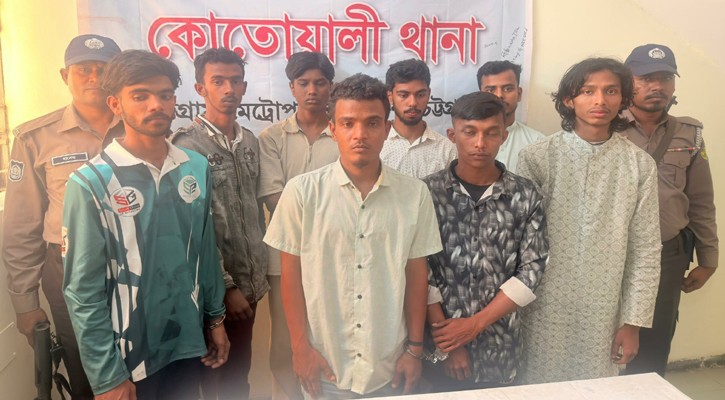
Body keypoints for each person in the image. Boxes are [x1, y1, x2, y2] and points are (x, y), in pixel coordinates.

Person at [62, 50, 229, 400]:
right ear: (116, 104)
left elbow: (205, 252)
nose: (156, 105)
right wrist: (106, 376)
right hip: (129, 356)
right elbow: (82, 290)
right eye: (140, 96)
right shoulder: (91, 182)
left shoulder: (195, 166)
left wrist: (215, 320)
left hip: (187, 342)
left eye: (165, 95)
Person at [263, 73, 442, 399]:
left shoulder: (415, 194)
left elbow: (417, 275)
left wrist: (415, 349)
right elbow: (291, 277)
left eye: (372, 123)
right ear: (333, 129)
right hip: (326, 364)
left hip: (389, 367)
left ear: (386, 129)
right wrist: (300, 348)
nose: (360, 134)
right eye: (348, 123)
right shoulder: (302, 193)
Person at [517, 58, 661, 383]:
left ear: (623, 99)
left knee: (595, 388)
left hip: (604, 310)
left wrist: (632, 323)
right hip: (542, 306)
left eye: (611, 91)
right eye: (588, 91)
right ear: (569, 99)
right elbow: (521, 244)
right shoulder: (538, 157)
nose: (600, 100)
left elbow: (646, 250)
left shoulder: (639, 165)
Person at [2, 33, 123, 399]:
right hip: (69, 268)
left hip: (138, 264)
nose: (94, 77)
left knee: (145, 365)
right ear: (64, 75)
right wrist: (26, 304)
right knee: (86, 371)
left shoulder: (144, 125)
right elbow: (22, 226)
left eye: (103, 69)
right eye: (83, 69)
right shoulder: (35, 137)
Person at [423, 91, 548, 391]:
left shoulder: (525, 194)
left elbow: (532, 270)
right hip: (441, 347)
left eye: (491, 133)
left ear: (504, 136)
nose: (480, 143)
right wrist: (450, 343)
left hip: (500, 347)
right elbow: (420, 270)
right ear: (452, 135)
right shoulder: (427, 193)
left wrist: (475, 324)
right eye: (470, 132)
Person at [171, 47, 268, 399]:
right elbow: (193, 226)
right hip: (216, 292)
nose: (229, 89)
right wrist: (226, 287)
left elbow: (253, 212)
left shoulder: (250, 141)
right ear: (200, 88)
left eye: (236, 81)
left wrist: (251, 283)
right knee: (216, 379)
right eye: (218, 81)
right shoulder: (186, 145)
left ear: (244, 87)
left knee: (238, 376)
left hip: (251, 287)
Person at [620, 44, 718, 377]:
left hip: (667, 255)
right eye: (646, 78)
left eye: (664, 78)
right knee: (605, 339)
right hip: (614, 254)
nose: (656, 86)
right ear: (628, 81)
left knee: (654, 342)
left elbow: (701, 200)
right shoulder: (605, 127)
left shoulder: (690, 134)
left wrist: (709, 258)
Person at [257, 51, 339, 400]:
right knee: (286, 340)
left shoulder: (344, 133)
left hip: (335, 256)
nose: (312, 90)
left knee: (331, 333)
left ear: (331, 87)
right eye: (303, 83)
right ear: (292, 87)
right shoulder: (272, 137)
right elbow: (274, 198)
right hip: (284, 258)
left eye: (320, 83)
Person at [380, 58, 456, 178]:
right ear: (390, 96)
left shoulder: (446, 150)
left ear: (428, 94)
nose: (413, 103)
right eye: (404, 95)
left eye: (420, 95)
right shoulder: (376, 146)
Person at [477, 61, 544, 173]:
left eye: (507, 89)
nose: (499, 95)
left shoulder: (537, 142)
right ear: (479, 96)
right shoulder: (465, 141)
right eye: (490, 90)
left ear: (519, 94)